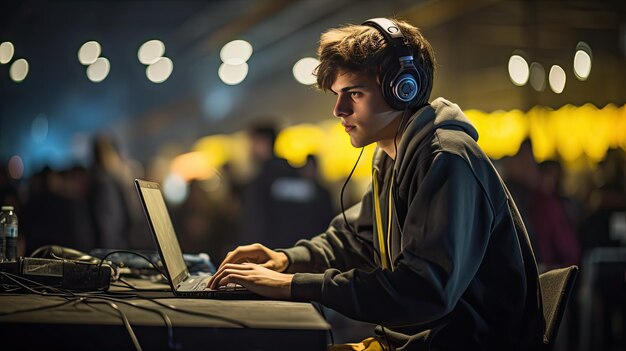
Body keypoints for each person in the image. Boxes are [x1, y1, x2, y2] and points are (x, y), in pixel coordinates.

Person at [209, 17, 543, 350]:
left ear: (403, 88)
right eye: (339, 94)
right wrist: (285, 260)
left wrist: (293, 285)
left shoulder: (446, 158)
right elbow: (353, 240)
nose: (339, 109)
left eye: (354, 93)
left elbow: (423, 290)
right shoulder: (392, 157)